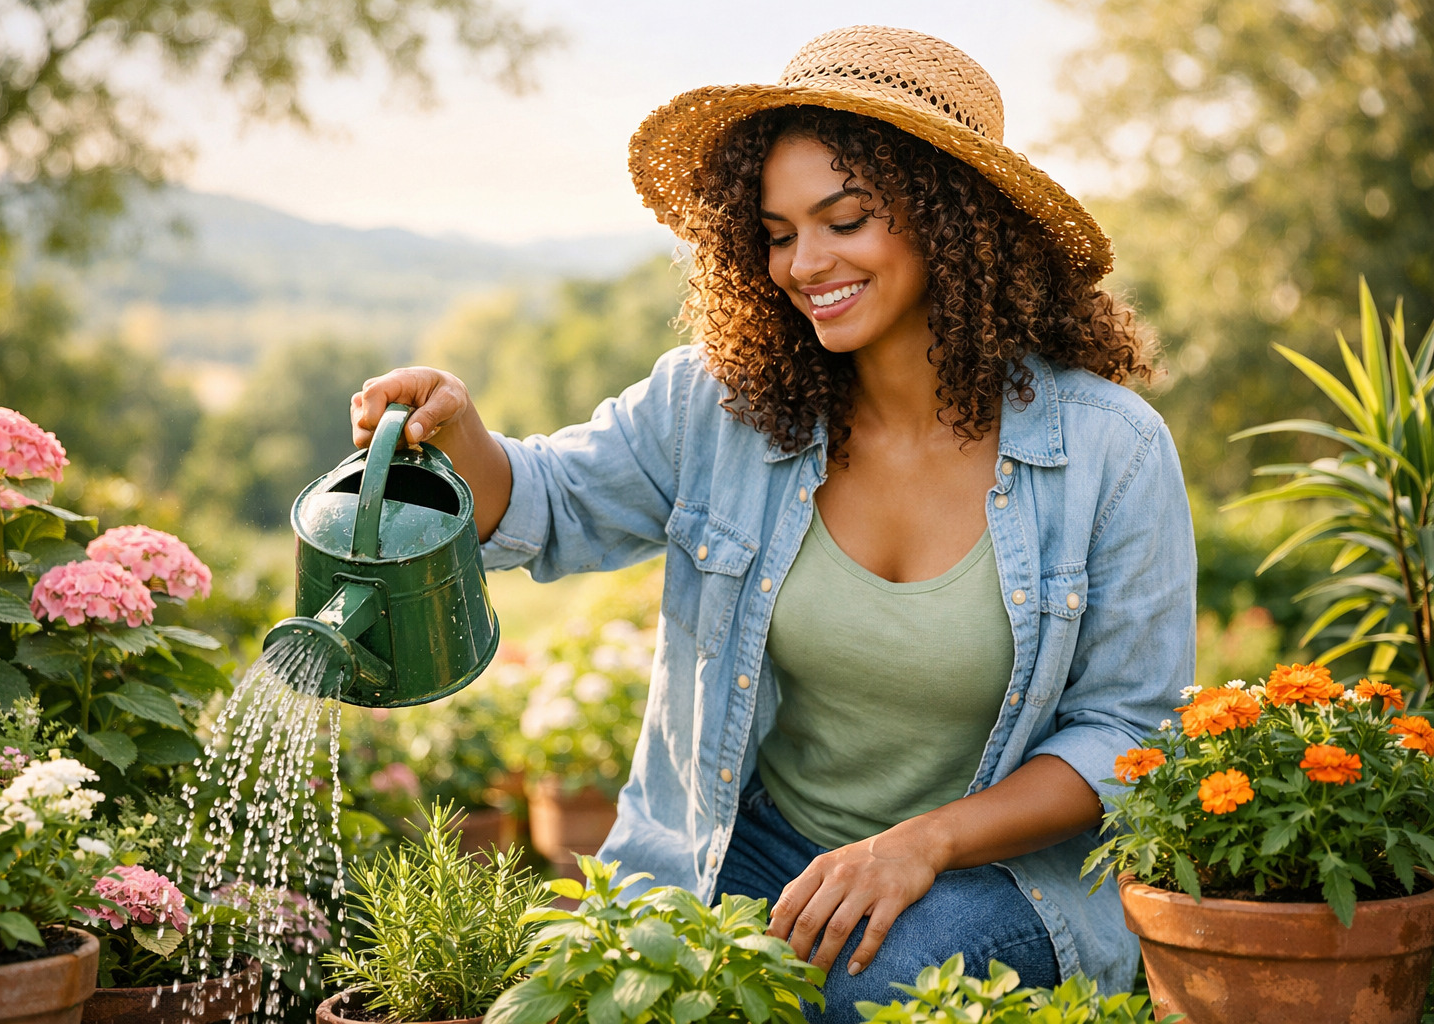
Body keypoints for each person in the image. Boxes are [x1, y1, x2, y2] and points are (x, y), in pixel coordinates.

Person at [350, 25, 1195, 1022]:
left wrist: (921, 843)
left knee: (869, 989)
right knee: (601, 997)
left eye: (844, 219)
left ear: (949, 218)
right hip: (759, 844)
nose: (805, 262)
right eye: (780, 231)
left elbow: (1127, 735)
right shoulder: (725, 405)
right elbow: (552, 501)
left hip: (1000, 873)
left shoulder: (1112, 452)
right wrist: (464, 435)